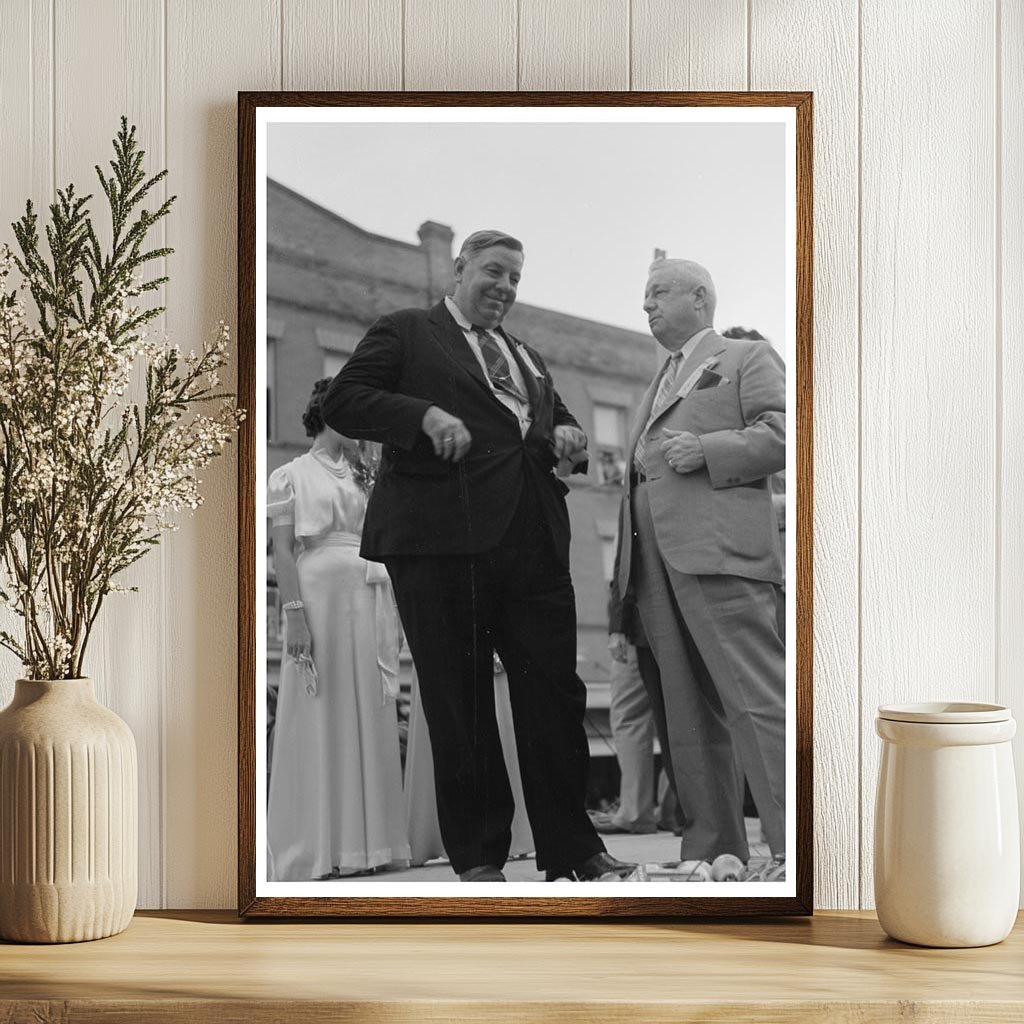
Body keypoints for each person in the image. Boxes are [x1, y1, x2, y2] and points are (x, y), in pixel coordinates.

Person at [323, 229, 632, 883]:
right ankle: (481, 856)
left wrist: (571, 435)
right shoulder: (406, 331)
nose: (506, 287)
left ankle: (573, 849)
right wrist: (423, 416)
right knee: (458, 698)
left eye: (516, 278)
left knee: (554, 694)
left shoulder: (526, 356)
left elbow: (553, 428)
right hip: (439, 542)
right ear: (459, 269)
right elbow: (344, 400)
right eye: (495, 271)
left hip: (534, 541)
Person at [616, 258, 787, 878]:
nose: (647, 306)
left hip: (720, 554)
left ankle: (793, 844)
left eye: (657, 292)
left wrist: (709, 449)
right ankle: (715, 850)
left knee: (753, 698)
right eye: (645, 295)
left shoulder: (746, 359)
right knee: (685, 710)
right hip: (656, 565)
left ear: (700, 297)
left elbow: (785, 433)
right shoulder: (659, 378)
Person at [266, 379, 410, 881]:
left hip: (368, 595)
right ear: (327, 413)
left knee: (369, 705)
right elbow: (282, 551)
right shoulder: (289, 476)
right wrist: (294, 614)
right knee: (322, 708)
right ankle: (321, 845)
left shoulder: (366, 477)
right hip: (318, 596)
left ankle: (372, 844)